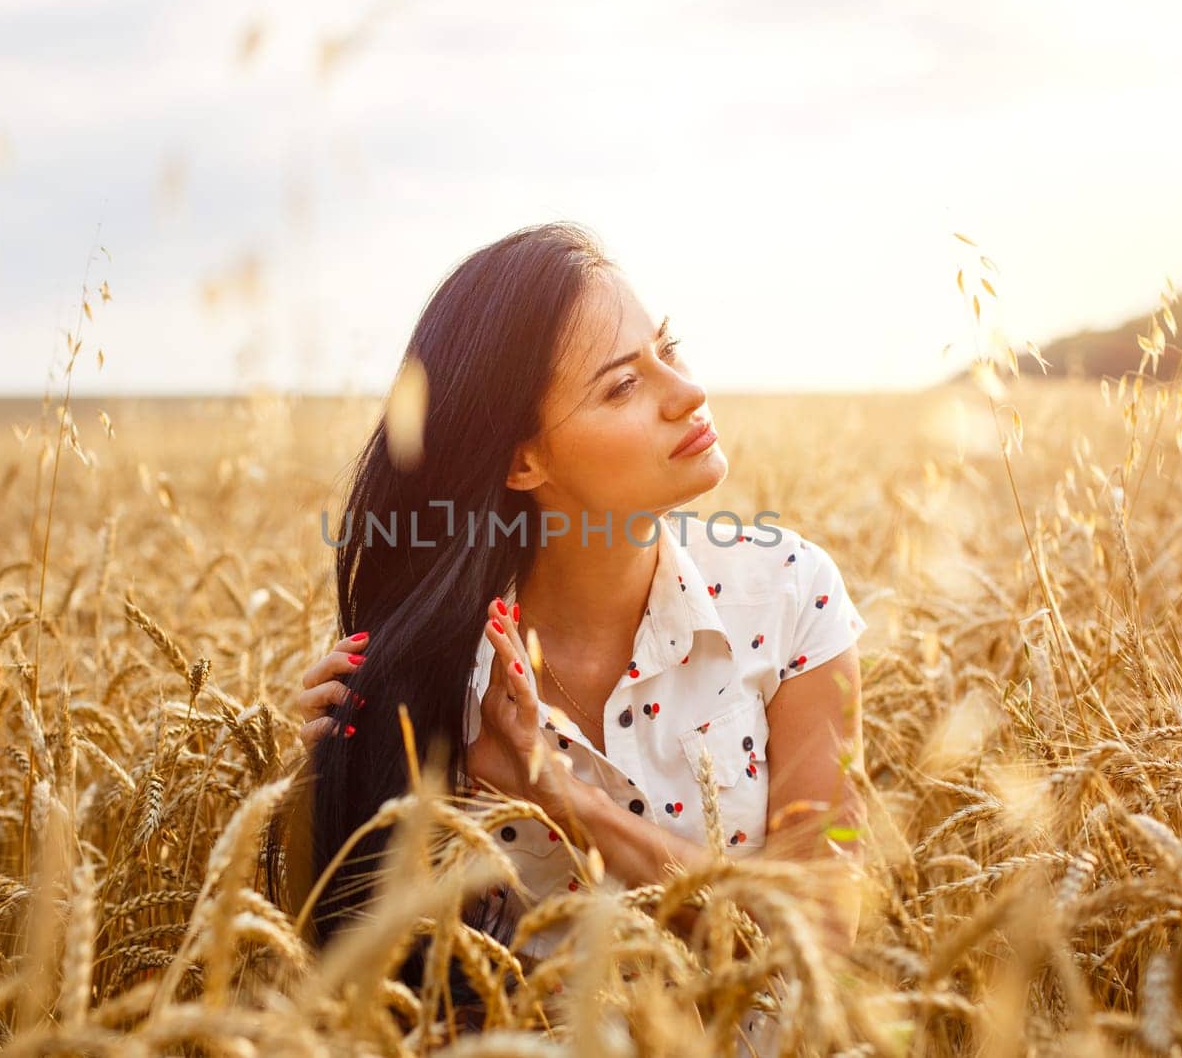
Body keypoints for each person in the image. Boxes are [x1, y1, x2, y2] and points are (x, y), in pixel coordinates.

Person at [263, 221, 867, 1039]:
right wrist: (313, 789)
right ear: (522, 463)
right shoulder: (437, 683)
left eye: (668, 347)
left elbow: (825, 922)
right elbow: (379, 996)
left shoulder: (789, 598)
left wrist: (567, 801)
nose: (685, 390)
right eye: (622, 386)